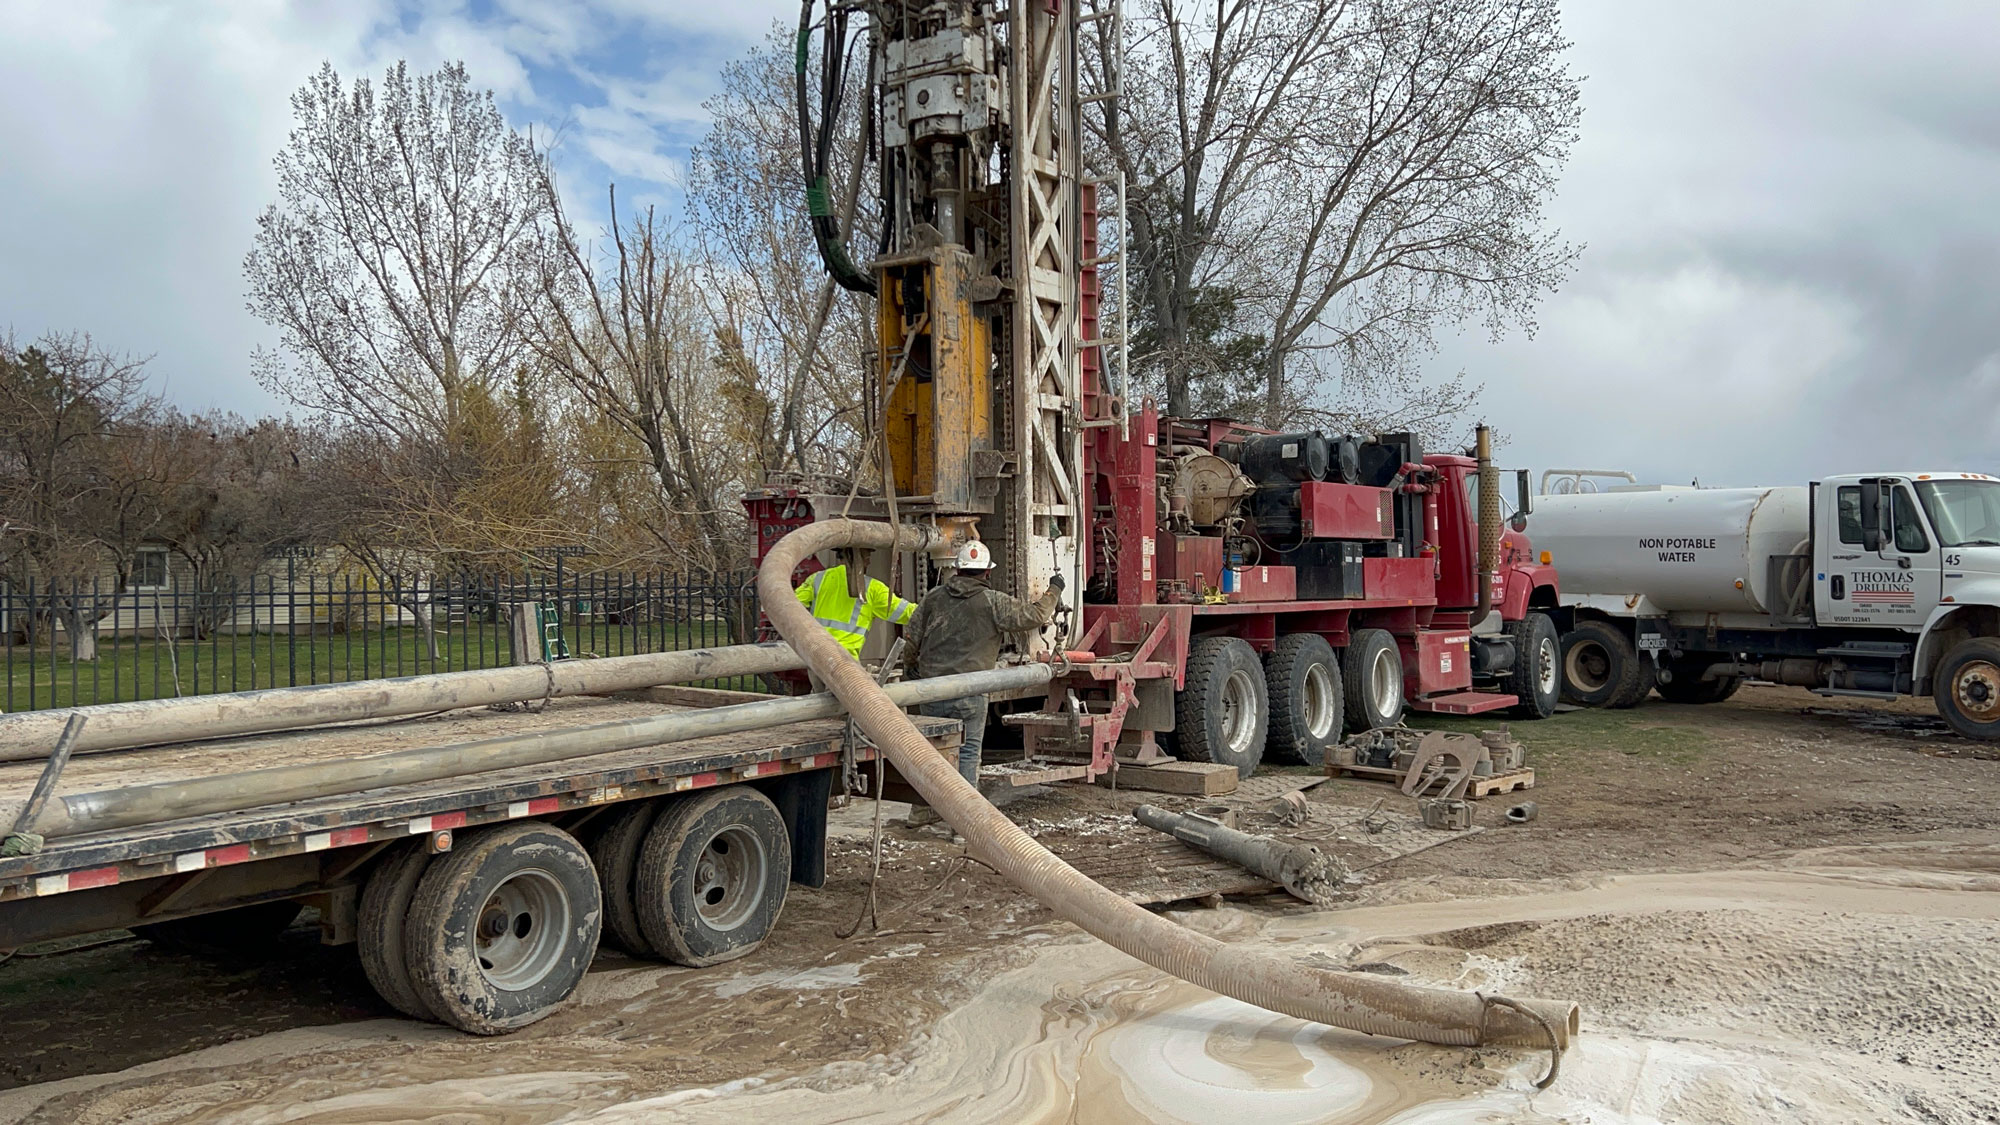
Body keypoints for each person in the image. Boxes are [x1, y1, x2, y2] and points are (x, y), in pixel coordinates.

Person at [902, 540, 1064, 798]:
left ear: (956, 569)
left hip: (932, 691)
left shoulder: (933, 598)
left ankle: (924, 812)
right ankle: (962, 822)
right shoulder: (992, 602)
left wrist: (911, 670)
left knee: (932, 752)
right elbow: (1033, 616)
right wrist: (1054, 590)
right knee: (966, 753)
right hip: (971, 691)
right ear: (987, 572)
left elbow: (912, 638)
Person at [794, 548, 918, 671]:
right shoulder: (872, 589)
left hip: (815, 657)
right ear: (860, 558)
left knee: (819, 691)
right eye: (867, 557)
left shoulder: (817, 579)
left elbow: (790, 605)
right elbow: (909, 614)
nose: (869, 563)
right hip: (844, 663)